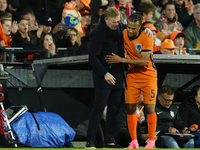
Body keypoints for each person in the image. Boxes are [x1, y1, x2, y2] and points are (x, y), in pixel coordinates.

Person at [106, 12, 157, 149]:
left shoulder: (146, 36)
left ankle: (151, 141)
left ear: (140, 27)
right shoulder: (123, 33)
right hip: (132, 75)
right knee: (129, 107)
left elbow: (143, 61)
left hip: (148, 75)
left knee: (149, 107)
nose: (130, 30)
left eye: (134, 28)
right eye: (129, 27)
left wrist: (121, 60)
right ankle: (134, 141)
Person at [86, 7, 126, 148]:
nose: (117, 24)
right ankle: (90, 140)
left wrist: (145, 30)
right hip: (103, 75)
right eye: (114, 22)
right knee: (98, 108)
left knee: (114, 110)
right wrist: (104, 74)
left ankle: (109, 140)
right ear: (106, 19)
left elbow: (134, 31)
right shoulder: (97, 33)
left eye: (118, 21)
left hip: (118, 73)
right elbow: (93, 58)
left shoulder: (121, 27)